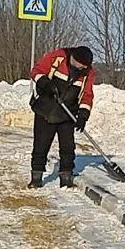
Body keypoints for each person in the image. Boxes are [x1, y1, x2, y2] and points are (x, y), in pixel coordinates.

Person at [28, 45, 95, 188]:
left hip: (67, 113)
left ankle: (66, 176)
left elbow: (87, 95)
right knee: (41, 145)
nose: (83, 68)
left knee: (68, 147)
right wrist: (46, 83)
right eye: (81, 64)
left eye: (85, 66)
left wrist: (83, 114)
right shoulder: (58, 57)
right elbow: (36, 71)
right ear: (74, 58)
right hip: (45, 109)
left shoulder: (87, 73)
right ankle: (36, 178)